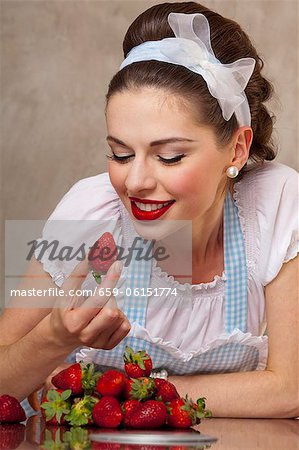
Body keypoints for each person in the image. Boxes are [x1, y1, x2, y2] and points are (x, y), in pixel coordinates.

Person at [0, 2, 298, 418]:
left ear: (237, 147)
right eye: (120, 154)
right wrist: (52, 337)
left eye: (170, 156)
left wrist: (119, 393)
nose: (135, 181)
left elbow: (289, 389)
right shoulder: (90, 210)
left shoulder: (276, 203)